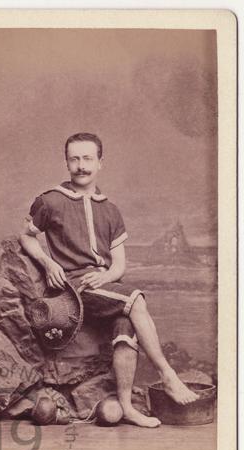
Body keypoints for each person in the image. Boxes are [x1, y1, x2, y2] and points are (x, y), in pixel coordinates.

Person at [19, 132, 199, 428]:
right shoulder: (49, 201)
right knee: (136, 299)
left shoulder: (111, 210)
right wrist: (48, 262)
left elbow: (119, 266)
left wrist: (106, 276)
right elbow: (26, 236)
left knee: (126, 325)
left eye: (88, 158)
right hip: (74, 288)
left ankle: (126, 407)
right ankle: (168, 375)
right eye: (74, 159)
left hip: (103, 285)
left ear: (100, 163)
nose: (81, 165)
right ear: (66, 162)